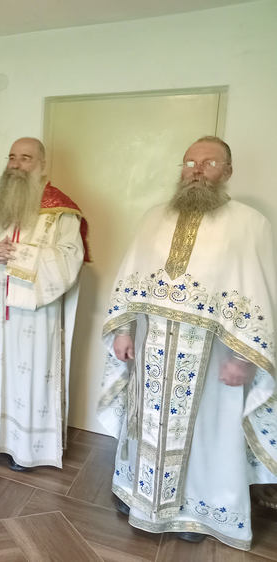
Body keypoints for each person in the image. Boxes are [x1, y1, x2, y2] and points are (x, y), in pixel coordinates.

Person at [98, 136, 277, 551]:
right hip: (151, 345)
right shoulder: (153, 217)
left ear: (227, 171)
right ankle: (136, 495)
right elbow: (130, 279)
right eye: (190, 161)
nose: (197, 169)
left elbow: (259, 295)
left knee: (208, 433)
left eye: (209, 162)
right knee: (143, 423)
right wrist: (123, 331)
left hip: (214, 356)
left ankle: (195, 511)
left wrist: (244, 358)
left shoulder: (249, 223)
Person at [0, 137, 88, 471]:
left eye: (26, 158)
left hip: (35, 310)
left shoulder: (62, 211)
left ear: (42, 165)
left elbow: (71, 257)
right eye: (12, 157)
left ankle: (25, 449)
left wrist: (21, 255)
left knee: (27, 377)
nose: (16, 165)